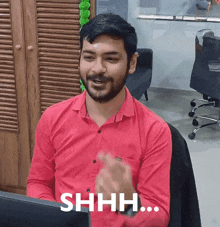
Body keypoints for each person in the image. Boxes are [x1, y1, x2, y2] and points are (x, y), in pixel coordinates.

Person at [26, 13, 172, 227]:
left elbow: (159, 216)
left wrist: (128, 204)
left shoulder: (155, 131)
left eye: (111, 58)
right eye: (89, 57)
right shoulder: (52, 118)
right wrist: (53, 217)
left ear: (131, 63)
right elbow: (38, 183)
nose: (97, 69)